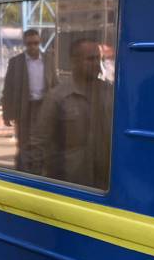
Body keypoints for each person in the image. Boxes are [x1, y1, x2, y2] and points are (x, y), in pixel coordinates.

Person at [34, 38, 113, 189]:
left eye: (98, 58)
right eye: (90, 59)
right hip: (70, 185)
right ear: (74, 62)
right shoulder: (57, 97)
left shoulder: (110, 93)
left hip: (104, 183)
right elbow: (39, 142)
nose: (97, 63)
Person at [0, 29, 57, 173]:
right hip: (24, 108)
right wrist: (7, 113)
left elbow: (55, 84)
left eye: (35, 43)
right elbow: (8, 88)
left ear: (40, 43)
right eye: (29, 44)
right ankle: (22, 173)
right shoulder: (16, 62)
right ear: (25, 44)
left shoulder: (49, 60)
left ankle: (41, 172)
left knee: (44, 141)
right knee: (24, 144)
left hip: (44, 107)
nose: (32, 46)